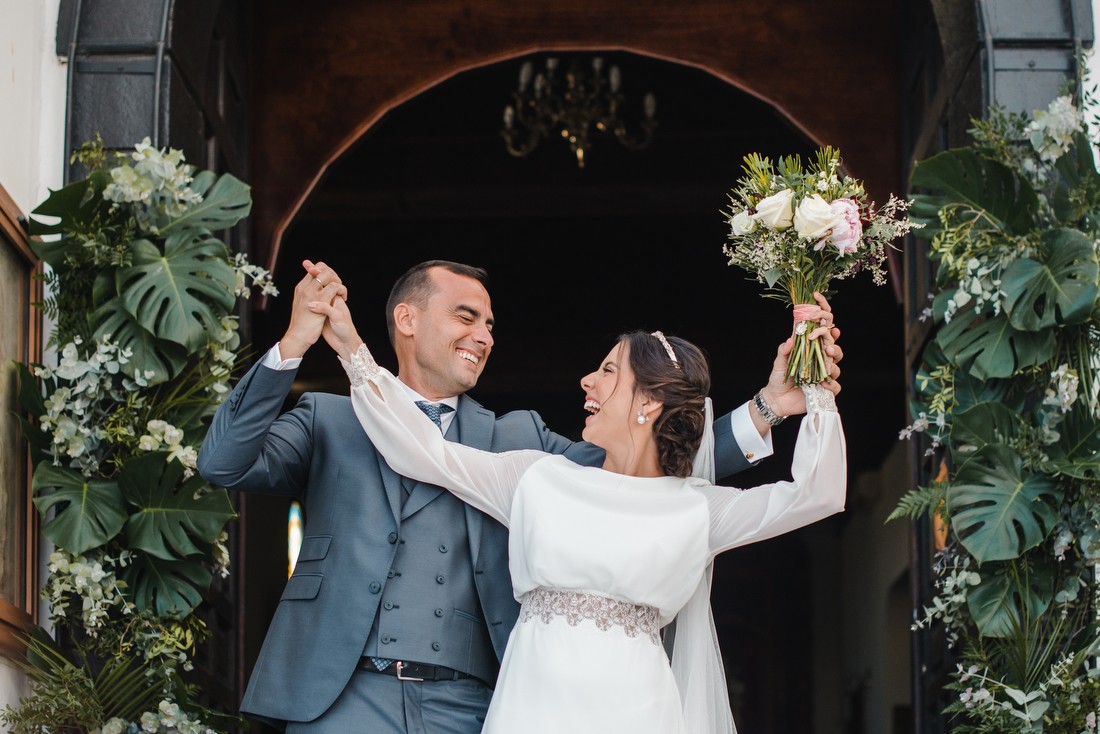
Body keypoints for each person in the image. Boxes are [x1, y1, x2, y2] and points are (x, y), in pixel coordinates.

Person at [197, 259, 842, 733]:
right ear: (407, 319)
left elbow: (641, 477)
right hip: (342, 697)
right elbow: (224, 462)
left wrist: (768, 408)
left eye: (490, 323)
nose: (484, 334)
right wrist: (295, 345)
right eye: (466, 316)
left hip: (472, 704)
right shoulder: (329, 419)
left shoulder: (521, 442)